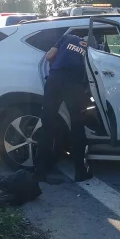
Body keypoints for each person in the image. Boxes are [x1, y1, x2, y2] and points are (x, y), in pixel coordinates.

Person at [33, 30, 93, 183]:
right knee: (77, 126)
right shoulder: (92, 45)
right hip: (74, 84)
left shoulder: (67, 37)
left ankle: (40, 173)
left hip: (55, 80)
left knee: (47, 125)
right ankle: (80, 172)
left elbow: (49, 56)